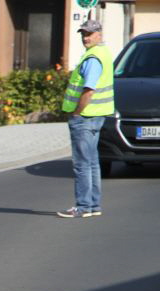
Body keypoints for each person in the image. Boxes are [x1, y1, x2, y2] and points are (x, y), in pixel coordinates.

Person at [57, 19, 114, 219]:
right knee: (92, 162)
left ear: (99, 34)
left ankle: (83, 206)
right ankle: (93, 205)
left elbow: (89, 90)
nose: (86, 38)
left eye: (89, 34)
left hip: (85, 117)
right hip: (96, 115)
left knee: (82, 164)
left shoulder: (93, 59)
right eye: (83, 34)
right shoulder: (103, 53)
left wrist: (77, 112)